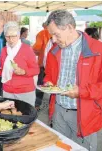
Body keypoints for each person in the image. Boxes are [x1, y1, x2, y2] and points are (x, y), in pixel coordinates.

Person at [44, 10, 102, 151]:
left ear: (70, 27)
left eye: (56, 34)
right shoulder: (55, 49)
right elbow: (49, 75)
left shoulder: (98, 50)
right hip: (59, 111)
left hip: (84, 115)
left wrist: (81, 92)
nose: (54, 39)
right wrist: (48, 82)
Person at [0, 21, 39, 106]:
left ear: (19, 35)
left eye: (14, 36)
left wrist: (24, 72)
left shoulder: (27, 49)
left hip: (25, 92)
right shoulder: (4, 50)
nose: (11, 39)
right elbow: (3, 69)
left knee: (26, 116)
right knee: (10, 117)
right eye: (8, 36)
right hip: (7, 91)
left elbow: (36, 70)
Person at [33, 22, 51, 110]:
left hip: (42, 64)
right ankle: (52, 107)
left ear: (44, 26)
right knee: (53, 86)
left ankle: (37, 105)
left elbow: (36, 48)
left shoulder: (42, 33)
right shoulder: (56, 33)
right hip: (53, 65)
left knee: (40, 85)